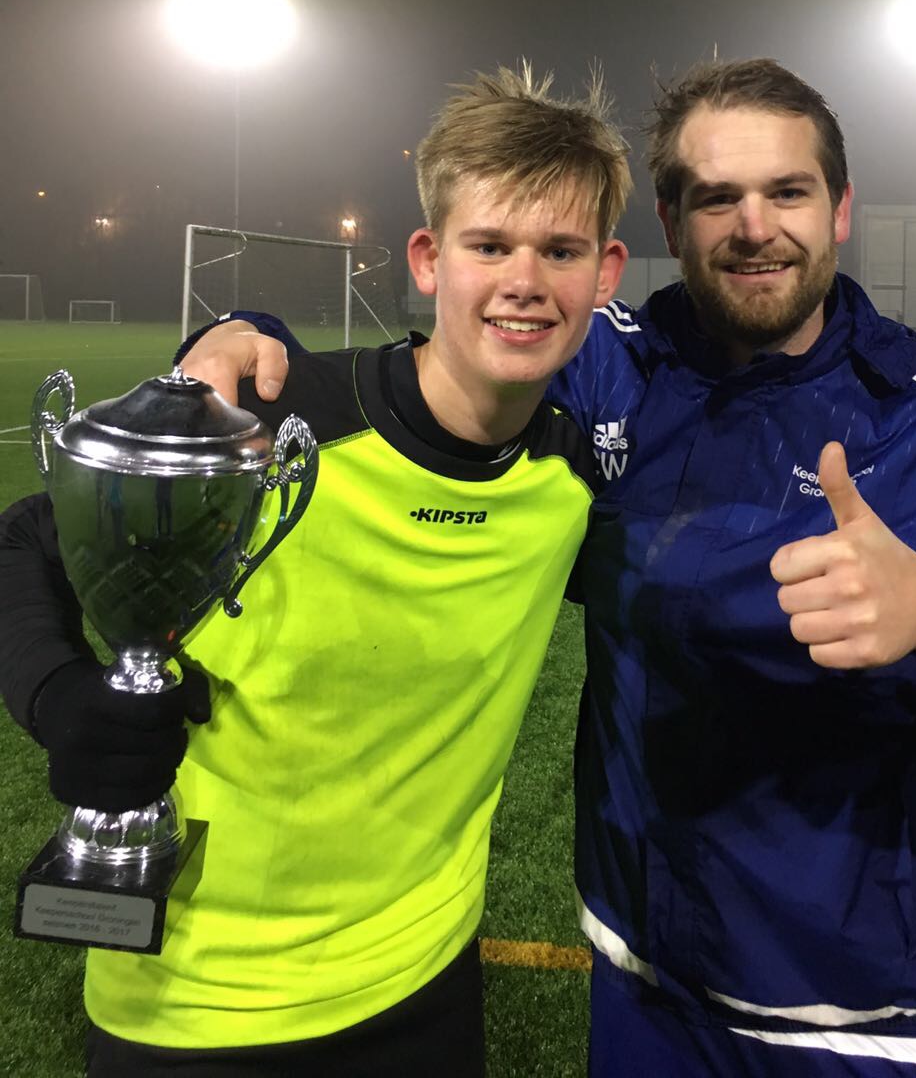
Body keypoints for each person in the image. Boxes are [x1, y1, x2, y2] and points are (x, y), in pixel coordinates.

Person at [163, 58, 916, 1077]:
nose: (754, 226)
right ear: (670, 223)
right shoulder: (608, 368)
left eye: (787, 191)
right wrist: (245, 340)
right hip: (642, 989)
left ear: (840, 209)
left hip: (866, 1020)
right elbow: (434, 376)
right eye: (716, 198)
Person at [0, 65, 631, 1077]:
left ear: (605, 273)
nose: (524, 280)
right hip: (198, 1009)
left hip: (426, 988)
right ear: (428, 259)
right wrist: (56, 695)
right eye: (489, 245)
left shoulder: (571, 479)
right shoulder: (276, 427)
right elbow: (26, 540)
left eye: (560, 250)